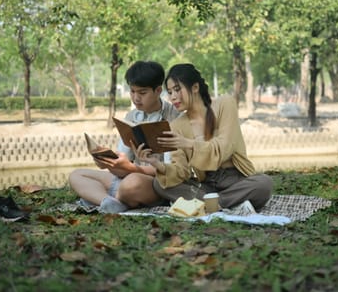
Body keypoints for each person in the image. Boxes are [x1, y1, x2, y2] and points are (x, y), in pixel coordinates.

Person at [137, 63, 273, 211]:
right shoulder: (176, 125)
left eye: (177, 89)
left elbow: (225, 148)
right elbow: (181, 171)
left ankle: (212, 204)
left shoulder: (224, 104)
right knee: (159, 183)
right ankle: (226, 204)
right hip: (206, 186)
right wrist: (156, 163)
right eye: (169, 92)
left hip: (236, 180)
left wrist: (189, 143)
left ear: (195, 88)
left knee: (264, 183)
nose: (173, 97)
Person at [68, 61, 180, 213]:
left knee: (131, 184)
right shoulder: (132, 116)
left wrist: (134, 168)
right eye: (132, 91)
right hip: (128, 175)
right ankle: (111, 202)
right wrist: (109, 162)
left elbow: (172, 171)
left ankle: (102, 198)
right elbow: (124, 156)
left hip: (156, 183)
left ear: (158, 90)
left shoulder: (174, 118)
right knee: (77, 175)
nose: (136, 98)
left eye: (142, 93)